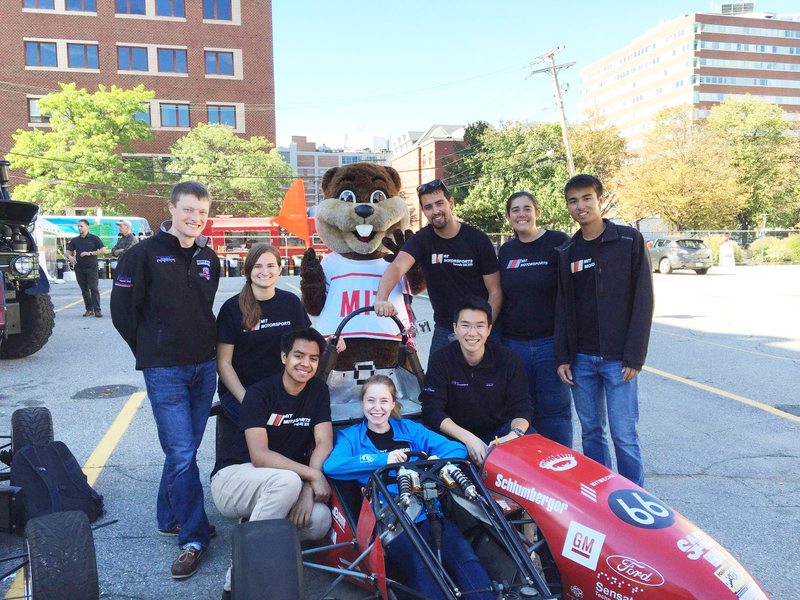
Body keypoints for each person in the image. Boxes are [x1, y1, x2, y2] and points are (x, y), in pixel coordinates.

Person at [111, 181, 221, 579]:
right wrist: (150, 352)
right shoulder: (142, 254)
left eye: (202, 212)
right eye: (188, 210)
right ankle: (193, 537)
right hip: (165, 371)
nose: (195, 218)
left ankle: (167, 515)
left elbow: (204, 308)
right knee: (180, 452)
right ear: (172, 210)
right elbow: (123, 312)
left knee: (185, 449)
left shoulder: (209, 257)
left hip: (203, 367)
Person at [324, 374, 494, 600]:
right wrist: (383, 461)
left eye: (384, 401)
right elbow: (332, 466)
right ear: (362, 403)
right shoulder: (351, 436)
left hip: (428, 511)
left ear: (393, 404)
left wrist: (434, 461)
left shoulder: (410, 429)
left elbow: (457, 449)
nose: (377, 408)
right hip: (391, 522)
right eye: (371, 401)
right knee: (422, 566)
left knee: (466, 559)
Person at [211, 328, 333, 598]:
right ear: (283, 357)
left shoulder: (318, 391)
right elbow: (260, 455)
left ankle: (256, 532)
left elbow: (324, 441)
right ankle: (236, 581)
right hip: (232, 479)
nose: (306, 363)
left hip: (280, 483)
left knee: (321, 520)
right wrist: (311, 477)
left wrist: (307, 489)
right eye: (298, 355)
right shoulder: (260, 393)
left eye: (313, 358)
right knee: (288, 481)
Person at [554, 174, 654, 487]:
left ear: (600, 200)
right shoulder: (568, 252)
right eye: (573, 200)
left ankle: (636, 499)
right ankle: (602, 498)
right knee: (592, 433)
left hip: (618, 360)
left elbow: (643, 300)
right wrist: (563, 357)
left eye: (586, 198)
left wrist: (634, 356)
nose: (580, 205)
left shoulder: (628, 241)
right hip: (581, 361)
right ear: (568, 207)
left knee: (624, 435)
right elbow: (563, 308)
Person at [373, 179, 502, 356]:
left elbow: (495, 291)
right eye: (428, 207)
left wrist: (484, 328)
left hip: (481, 329)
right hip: (445, 329)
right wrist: (381, 297)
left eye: (439, 203)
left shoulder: (477, 239)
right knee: (435, 382)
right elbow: (396, 267)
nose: (435, 211)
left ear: (451, 203)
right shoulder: (422, 240)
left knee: (486, 382)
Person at [499, 192, 573, 448]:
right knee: (522, 411)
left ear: (537, 213)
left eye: (527, 209)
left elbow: (572, 291)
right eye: (515, 210)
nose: (522, 214)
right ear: (508, 217)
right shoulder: (507, 250)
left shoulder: (558, 242)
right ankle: (534, 470)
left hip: (549, 344)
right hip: (514, 345)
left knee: (555, 412)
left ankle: (564, 469)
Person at [420, 297, 532, 464]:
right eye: (465, 325)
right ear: (455, 328)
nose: (472, 333)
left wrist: (513, 435)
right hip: (455, 436)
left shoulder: (508, 359)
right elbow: (431, 410)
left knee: (532, 450)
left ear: (489, 329)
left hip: (499, 433)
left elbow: (522, 408)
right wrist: (469, 439)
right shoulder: (441, 360)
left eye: (479, 326)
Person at [216, 243, 311, 425]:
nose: (264, 272)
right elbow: (223, 364)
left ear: (280, 269)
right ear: (248, 270)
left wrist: (332, 341)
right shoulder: (232, 308)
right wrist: (248, 401)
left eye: (270, 266)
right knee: (267, 426)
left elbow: (307, 345)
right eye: (258, 266)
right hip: (243, 391)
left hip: (283, 389)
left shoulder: (290, 302)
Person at [65, 219, 107, 317]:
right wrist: (70, 257)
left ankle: (97, 310)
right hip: (79, 267)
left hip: (91, 267)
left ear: (87, 226)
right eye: (78, 226)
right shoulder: (75, 240)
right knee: (84, 289)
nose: (79, 228)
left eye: (81, 226)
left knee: (93, 288)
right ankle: (89, 309)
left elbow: (103, 250)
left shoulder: (94, 238)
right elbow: (68, 251)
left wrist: (90, 253)